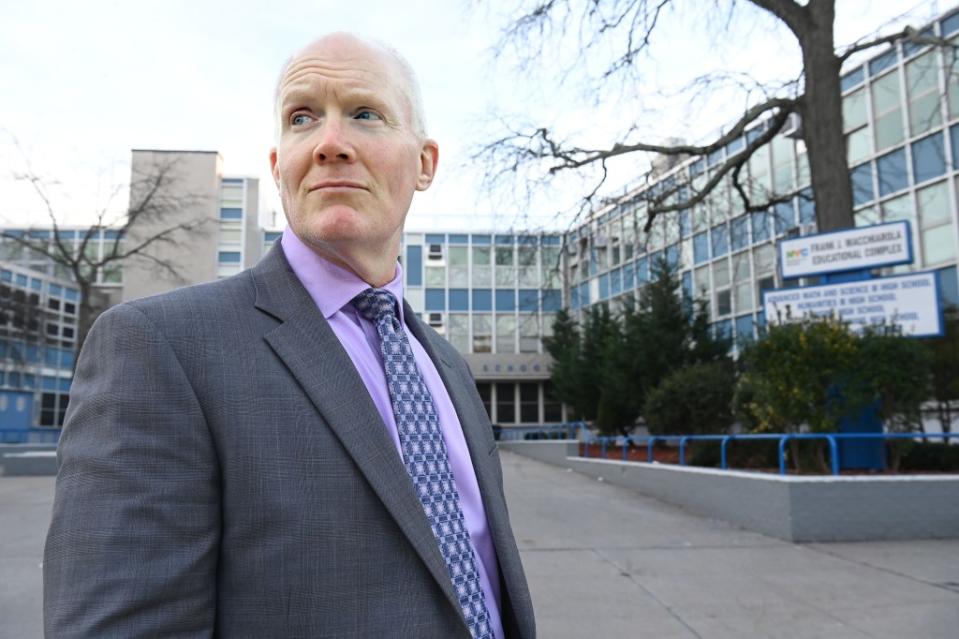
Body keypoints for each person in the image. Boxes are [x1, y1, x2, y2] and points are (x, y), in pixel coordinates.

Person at [43, 33, 535, 638]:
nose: (330, 143)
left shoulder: (447, 367)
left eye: (364, 113)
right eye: (302, 119)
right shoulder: (158, 347)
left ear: (425, 163)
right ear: (280, 167)